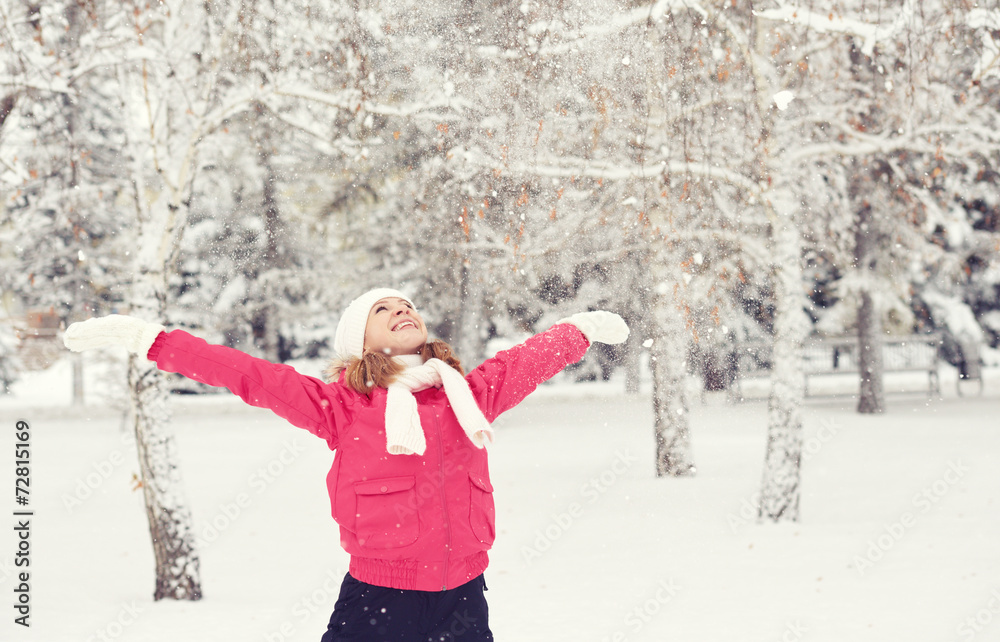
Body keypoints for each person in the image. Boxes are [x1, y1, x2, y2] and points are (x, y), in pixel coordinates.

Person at [63, 288, 629, 641]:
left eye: (405, 305)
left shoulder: (466, 395)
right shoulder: (342, 407)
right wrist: (152, 340)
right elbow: (248, 374)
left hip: (463, 595)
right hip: (379, 598)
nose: (401, 310)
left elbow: (523, 362)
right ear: (362, 343)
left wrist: (575, 331)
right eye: (382, 310)